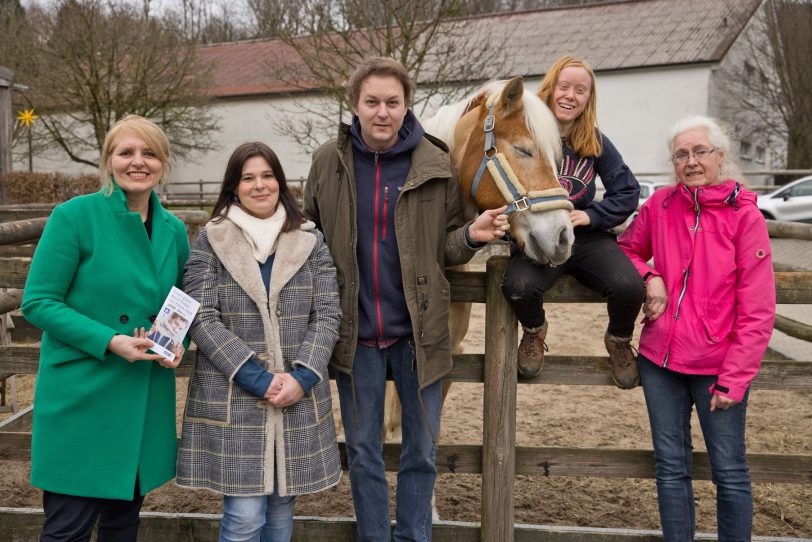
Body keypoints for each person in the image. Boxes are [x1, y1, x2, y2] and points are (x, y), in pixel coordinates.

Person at [303, 56, 509, 542]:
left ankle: (415, 535)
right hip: (356, 336)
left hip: (421, 334)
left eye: (392, 102)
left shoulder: (435, 161)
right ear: (354, 105)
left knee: (421, 451)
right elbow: (307, 235)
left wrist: (474, 236)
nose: (382, 112)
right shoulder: (326, 163)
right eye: (371, 101)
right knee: (364, 451)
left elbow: (447, 245)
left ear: (406, 104)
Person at [21, 114, 189, 541]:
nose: (138, 162)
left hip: (140, 399)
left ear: (163, 163)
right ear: (108, 160)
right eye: (126, 152)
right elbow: (38, 302)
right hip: (83, 395)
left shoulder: (174, 230)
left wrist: (176, 343)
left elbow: (175, 304)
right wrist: (109, 340)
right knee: (67, 531)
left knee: (121, 527)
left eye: (149, 153)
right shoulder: (74, 216)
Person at [618, 116, 775, 541]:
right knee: (670, 468)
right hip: (660, 361)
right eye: (682, 154)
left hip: (717, 368)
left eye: (700, 152)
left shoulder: (745, 217)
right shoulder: (660, 206)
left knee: (729, 470)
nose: (691, 161)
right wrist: (650, 276)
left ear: (720, 157)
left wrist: (735, 379)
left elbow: (759, 309)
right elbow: (626, 250)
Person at [176, 142, 342, 542]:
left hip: (296, 394)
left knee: (282, 510)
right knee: (245, 516)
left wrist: (302, 376)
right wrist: (256, 376)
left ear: (280, 182)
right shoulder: (211, 241)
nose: (260, 185)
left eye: (267, 175)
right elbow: (202, 315)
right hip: (237, 394)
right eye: (248, 178)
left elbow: (328, 314)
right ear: (234, 187)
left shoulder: (310, 240)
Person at [500, 55, 644, 388]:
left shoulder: (595, 142)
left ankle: (619, 341)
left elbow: (627, 191)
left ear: (588, 99)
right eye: (564, 86)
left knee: (629, 286)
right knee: (517, 287)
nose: (570, 95)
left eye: (581, 90)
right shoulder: (527, 136)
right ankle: (534, 332)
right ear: (550, 89)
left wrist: (593, 215)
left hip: (586, 236)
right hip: (539, 235)